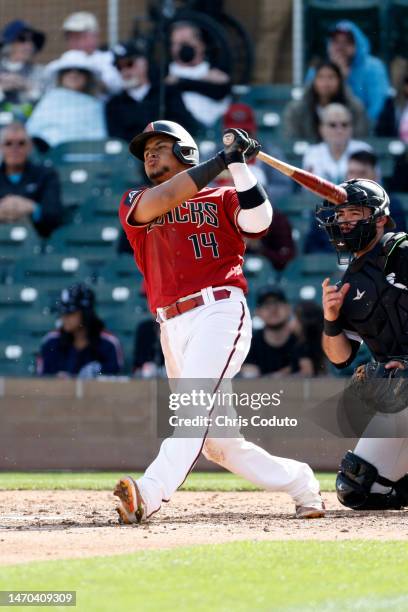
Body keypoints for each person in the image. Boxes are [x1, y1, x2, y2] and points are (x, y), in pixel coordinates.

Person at [114, 119, 325, 522]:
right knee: (220, 445)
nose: (151, 154)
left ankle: (149, 492)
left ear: (185, 152)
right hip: (171, 326)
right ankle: (301, 482)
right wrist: (222, 159)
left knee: (192, 412)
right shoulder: (136, 199)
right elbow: (171, 195)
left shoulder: (224, 195)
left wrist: (240, 165)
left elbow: (259, 222)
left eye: (161, 146)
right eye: (146, 151)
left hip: (218, 311)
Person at [316, 178, 408, 510]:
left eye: (354, 212)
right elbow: (339, 358)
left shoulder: (402, 252)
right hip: (402, 393)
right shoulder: (350, 282)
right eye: (340, 215)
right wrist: (331, 318)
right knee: (358, 487)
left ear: (380, 217)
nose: (345, 222)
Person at [304, 150, 407, 254]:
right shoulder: (328, 206)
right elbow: (312, 246)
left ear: (375, 176)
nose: (356, 178)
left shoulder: (391, 205)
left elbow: (395, 243)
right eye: (351, 172)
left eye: (362, 173)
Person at [106, 41, 198, 141]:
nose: (125, 71)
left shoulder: (167, 94)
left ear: (144, 63)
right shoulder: (113, 104)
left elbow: (187, 127)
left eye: (129, 64)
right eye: (119, 67)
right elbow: (116, 140)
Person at [306, 21, 390, 125]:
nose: (340, 47)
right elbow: (307, 103)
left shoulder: (373, 67)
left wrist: (342, 80)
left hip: (363, 130)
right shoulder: (318, 69)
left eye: (347, 42)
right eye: (336, 42)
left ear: (358, 44)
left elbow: (377, 108)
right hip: (322, 130)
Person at [37, 283, 123, 378]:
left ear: (86, 312)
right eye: (62, 312)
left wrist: (97, 373)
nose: (64, 317)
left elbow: (116, 381)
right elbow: (42, 381)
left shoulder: (108, 343)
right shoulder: (51, 342)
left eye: (70, 313)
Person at [26, 50, 107, 150]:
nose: (74, 74)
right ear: (61, 76)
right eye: (68, 70)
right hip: (51, 155)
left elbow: (98, 136)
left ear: (87, 77)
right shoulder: (49, 100)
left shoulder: (95, 104)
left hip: (84, 155)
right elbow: (33, 131)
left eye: (80, 71)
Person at [0, 122, 62, 237]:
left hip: (38, 240)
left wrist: (32, 208)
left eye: (21, 143)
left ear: (29, 147)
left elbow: (53, 215)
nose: (15, 148)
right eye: (9, 143)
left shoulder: (46, 175)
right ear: (1, 147)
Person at [166, 21, 231, 130]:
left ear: (201, 45)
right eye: (177, 43)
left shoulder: (215, 71)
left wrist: (180, 82)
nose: (183, 48)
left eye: (186, 42)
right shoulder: (164, 73)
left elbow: (220, 91)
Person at [283, 61, 369, 142]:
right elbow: (290, 139)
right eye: (321, 77)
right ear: (313, 81)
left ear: (340, 81)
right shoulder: (297, 109)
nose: (326, 82)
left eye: (331, 77)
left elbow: (361, 138)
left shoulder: (355, 108)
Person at [241, 287, 306, 378]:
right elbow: (251, 381)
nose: (273, 309)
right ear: (257, 312)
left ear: (288, 308)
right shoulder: (250, 345)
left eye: (278, 303)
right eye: (266, 305)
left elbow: (310, 376)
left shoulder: (301, 340)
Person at [302, 103, 371, 184]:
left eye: (344, 125)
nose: (339, 130)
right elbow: (308, 189)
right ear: (321, 129)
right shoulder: (312, 153)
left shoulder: (364, 150)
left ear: (351, 128)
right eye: (332, 125)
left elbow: (373, 186)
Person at [60, 11, 122, 95]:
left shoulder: (108, 59)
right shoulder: (65, 58)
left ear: (95, 37)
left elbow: (116, 87)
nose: (74, 41)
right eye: (70, 37)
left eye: (79, 37)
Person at [0, 19, 46, 120]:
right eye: (22, 39)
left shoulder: (41, 72)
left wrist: (28, 87)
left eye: (32, 40)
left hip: (29, 128)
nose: (29, 45)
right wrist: (2, 88)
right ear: (8, 44)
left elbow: (46, 106)